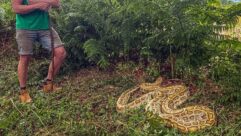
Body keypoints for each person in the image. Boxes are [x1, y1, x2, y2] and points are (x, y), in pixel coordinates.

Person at [12, 0, 67, 103]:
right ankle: (23, 91)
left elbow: (56, 3)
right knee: (25, 57)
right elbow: (16, 8)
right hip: (24, 27)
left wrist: (41, 2)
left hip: (45, 27)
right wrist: (38, 5)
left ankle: (48, 83)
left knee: (60, 52)